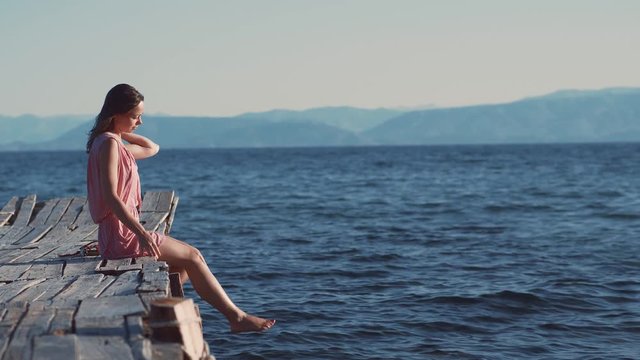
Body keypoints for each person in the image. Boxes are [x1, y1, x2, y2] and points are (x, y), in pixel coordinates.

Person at [86, 83, 275, 333]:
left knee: (183, 265)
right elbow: (111, 197)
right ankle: (236, 318)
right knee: (194, 256)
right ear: (115, 113)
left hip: (117, 234)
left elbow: (152, 148)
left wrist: (121, 130)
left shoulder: (110, 143)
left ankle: (166, 316)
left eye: (140, 116)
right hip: (123, 236)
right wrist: (142, 234)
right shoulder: (110, 145)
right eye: (134, 116)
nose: (139, 122)